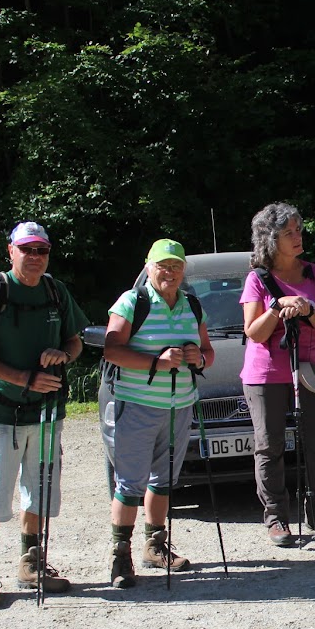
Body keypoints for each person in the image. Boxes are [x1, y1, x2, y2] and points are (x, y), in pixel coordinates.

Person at [0, 221, 89, 608]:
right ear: (10, 250)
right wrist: (22, 378)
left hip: (47, 412)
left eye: (42, 250)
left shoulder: (54, 290)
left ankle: (32, 562)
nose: (35, 257)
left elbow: (75, 340)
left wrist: (62, 354)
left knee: (41, 489)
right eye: (27, 249)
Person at [103, 239, 215, 588]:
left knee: (164, 479)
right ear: (148, 266)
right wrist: (157, 362)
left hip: (179, 406)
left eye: (176, 266)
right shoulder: (132, 301)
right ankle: (120, 557)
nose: (170, 272)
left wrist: (198, 357)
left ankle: (155, 544)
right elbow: (111, 350)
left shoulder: (192, 306)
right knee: (130, 484)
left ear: (184, 271)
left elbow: (208, 352)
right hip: (137, 405)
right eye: (163, 265)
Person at [241, 202, 315, 546]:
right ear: (271, 239)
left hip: (310, 370)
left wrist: (308, 310)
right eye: (289, 232)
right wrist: (277, 308)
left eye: (298, 229)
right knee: (270, 446)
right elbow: (254, 332)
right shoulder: (257, 279)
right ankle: (276, 519)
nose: (297, 236)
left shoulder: (314, 274)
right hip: (265, 373)